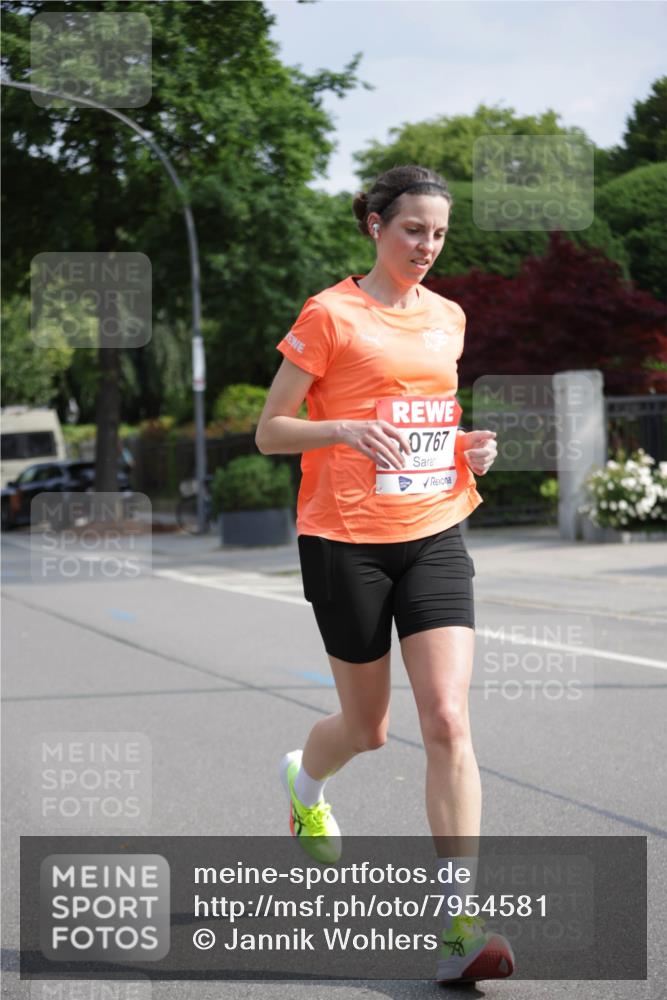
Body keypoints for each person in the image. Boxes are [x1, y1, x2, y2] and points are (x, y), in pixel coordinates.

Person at [255, 164, 514, 984]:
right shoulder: (329, 314)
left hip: (434, 529)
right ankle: (305, 783)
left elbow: (428, 420)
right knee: (368, 729)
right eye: (412, 230)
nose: (426, 246)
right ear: (375, 226)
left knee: (447, 720)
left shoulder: (448, 318)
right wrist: (342, 429)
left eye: (437, 234)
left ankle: (459, 924)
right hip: (344, 539)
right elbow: (270, 431)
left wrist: (465, 448)